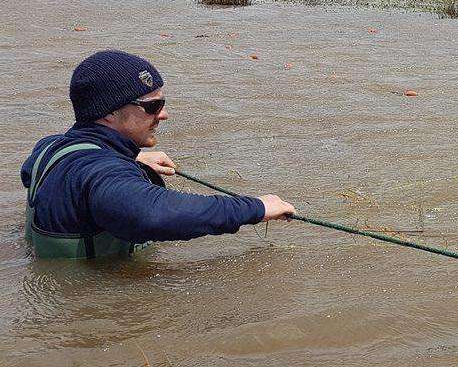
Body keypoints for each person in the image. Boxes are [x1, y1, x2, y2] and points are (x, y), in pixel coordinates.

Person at [20, 49, 295, 259]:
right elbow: (154, 214)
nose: (163, 114)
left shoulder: (49, 147)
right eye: (152, 106)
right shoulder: (102, 172)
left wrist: (130, 156)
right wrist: (256, 207)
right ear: (108, 114)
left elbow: (43, 169)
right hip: (88, 313)